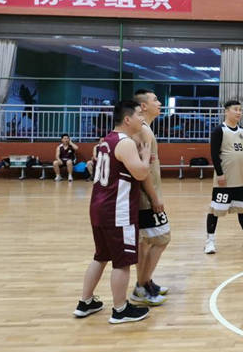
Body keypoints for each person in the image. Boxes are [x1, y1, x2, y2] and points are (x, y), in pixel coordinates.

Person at [73, 100, 152, 324]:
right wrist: (146, 155)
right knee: (122, 262)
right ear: (127, 119)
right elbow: (140, 173)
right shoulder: (125, 143)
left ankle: (85, 302)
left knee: (100, 256)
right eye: (138, 115)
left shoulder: (106, 140)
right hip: (118, 210)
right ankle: (120, 309)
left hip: (99, 207)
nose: (142, 119)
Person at [204, 100, 243, 254]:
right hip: (224, 180)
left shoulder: (242, 131)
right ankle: (210, 241)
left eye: (240, 110)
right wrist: (220, 174)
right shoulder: (219, 130)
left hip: (240, 180)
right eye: (235, 109)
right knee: (215, 211)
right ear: (226, 111)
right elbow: (214, 155)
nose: (239, 112)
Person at [129, 89, 170, 307]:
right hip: (145, 198)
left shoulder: (145, 129)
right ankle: (141, 286)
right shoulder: (143, 131)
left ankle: (145, 282)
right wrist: (154, 198)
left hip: (146, 197)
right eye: (155, 100)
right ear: (143, 106)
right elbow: (143, 172)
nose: (160, 103)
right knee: (162, 238)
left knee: (145, 243)